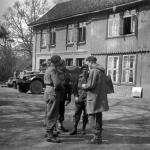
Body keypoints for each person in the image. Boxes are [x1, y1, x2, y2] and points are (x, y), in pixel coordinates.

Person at [82, 56, 109, 144]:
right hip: (100, 97)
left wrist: (84, 86)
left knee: (91, 116)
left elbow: (91, 85)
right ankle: (98, 137)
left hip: (93, 97)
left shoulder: (94, 71)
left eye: (87, 63)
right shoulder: (101, 71)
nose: (87, 65)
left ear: (90, 62)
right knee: (98, 116)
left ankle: (96, 136)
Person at [43, 55, 62, 143]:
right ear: (57, 62)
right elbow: (57, 83)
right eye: (59, 61)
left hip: (47, 90)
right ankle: (50, 135)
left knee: (48, 111)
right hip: (53, 91)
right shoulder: (53, 70)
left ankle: (48, 132)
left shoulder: (48, 68)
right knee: (53, 113)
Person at [70, 64, 89, 135]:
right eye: (84, 69)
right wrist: (75, 96)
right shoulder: (78, 77)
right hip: (79, 97)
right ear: (81, 70)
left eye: (86, 69)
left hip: (87, 98)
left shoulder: (90, 77)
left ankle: (83, 129)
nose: (85, 70)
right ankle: (74, 128)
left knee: (86, 114)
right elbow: (74, 88)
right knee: (77, 113)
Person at [56, 59, 70, 132]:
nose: (64, 66)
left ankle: (60, 125)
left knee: (62, 111)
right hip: (56, 96)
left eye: (65, 64)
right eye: (63, 64)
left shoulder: (66, 73)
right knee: (56, 112)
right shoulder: (56, 73)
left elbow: (68, 86)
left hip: (63, 96)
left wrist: (68, 98)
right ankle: (55, 128)